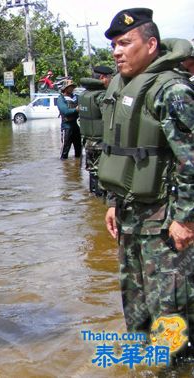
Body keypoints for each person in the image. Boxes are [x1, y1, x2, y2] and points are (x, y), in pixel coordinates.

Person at [97, 8, 194, 358]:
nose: (117, 51)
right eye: (114, 46)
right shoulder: (123, 88)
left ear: (151, 44)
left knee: (171, 316)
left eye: (125, 43)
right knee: (136, 313)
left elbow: (191, 159)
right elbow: (119, 152)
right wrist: (111, 201)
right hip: (130, 219)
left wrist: (185, 218)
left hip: (166, 225)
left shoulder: (172, 90)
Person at [78, 65, 114, 196]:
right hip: (100, 143)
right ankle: (99, 201)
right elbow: (109, 118)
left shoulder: (84, 94)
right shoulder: (101, 96)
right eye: (110, 77)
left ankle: (93, 203)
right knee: (102, 173)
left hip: (88, 142)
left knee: (92, 171)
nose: (111, 80)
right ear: (103, 78)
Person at [56, 80, 82, 160]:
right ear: (65, 88)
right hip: (67, 127)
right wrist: (76, 110)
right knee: (65, 151)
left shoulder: (76, 97)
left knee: (79, 151)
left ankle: (76, 169)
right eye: (70, 87)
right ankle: (65, 169)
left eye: (72, 87)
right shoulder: (61, 99)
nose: (72, 88)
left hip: (77, 126)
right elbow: (65, 111)